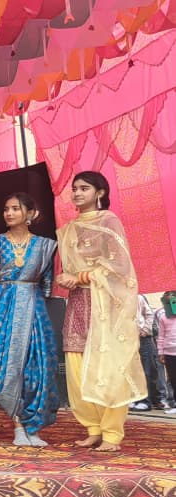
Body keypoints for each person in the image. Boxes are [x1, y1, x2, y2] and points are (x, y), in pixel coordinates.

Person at [57, 171, 146, 452]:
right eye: (74, 188)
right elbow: (70, 267)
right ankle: (93, 428)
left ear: (100, 193)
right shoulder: (69, 229)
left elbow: (120, 267)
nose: (77, 193)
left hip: (105, 304)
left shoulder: (109, 221)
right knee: (76, 365)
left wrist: (80, 277)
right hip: (78, 303)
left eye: (84, 188)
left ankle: (111, 434)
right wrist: (66, 278)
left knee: (109, 367)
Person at [0, 193, 59, 447]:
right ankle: (18, 425)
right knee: (6, 366)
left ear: (30, 214)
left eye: (15, 209)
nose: (9, 213)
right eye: (6, 209)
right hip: (1, 308)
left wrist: (34, 303)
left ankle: (33, 427)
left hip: (34, 307)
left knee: (36, 365)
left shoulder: (45, 246)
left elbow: (48, 284)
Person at [133, 295, 168, 411]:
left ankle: (146, 400)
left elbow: (149, 314)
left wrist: (145, 330)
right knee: (132, 371)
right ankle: (135, 398)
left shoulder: (138, 298)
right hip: (127, 340)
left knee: (147, 370)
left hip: (143, 338)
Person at [156, 293, 176, 415]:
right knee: (173, 379)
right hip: (169, 352)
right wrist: (161, 352)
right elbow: (161, 336)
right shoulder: (163, 317)